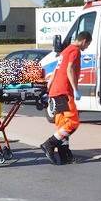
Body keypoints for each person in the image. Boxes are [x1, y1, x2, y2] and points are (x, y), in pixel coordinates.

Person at [39, 31, 92, 165]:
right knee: (73, 123)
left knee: (62, 125)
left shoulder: (65, 51)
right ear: (84, 41)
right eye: (87, 44)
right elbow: (69, 69)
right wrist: (75, 89)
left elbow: (56, 70)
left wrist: (49, 87)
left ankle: (64, 155)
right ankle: (49, 144)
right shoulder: (75, 50)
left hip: (55, 91)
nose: (87, 47)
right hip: (64, 91)